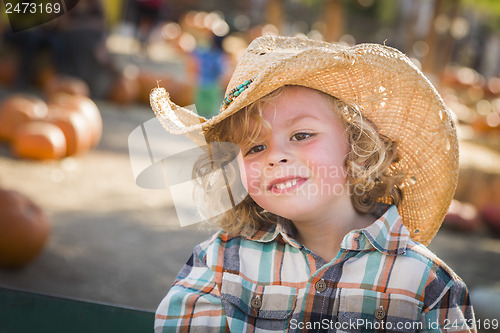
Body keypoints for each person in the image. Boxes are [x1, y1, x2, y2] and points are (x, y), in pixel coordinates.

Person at [149, 35, 475, 332]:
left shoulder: (425, 284)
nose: (275, 157)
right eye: (255, 147)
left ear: (359, 148)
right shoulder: (220, 265)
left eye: (302, 135)